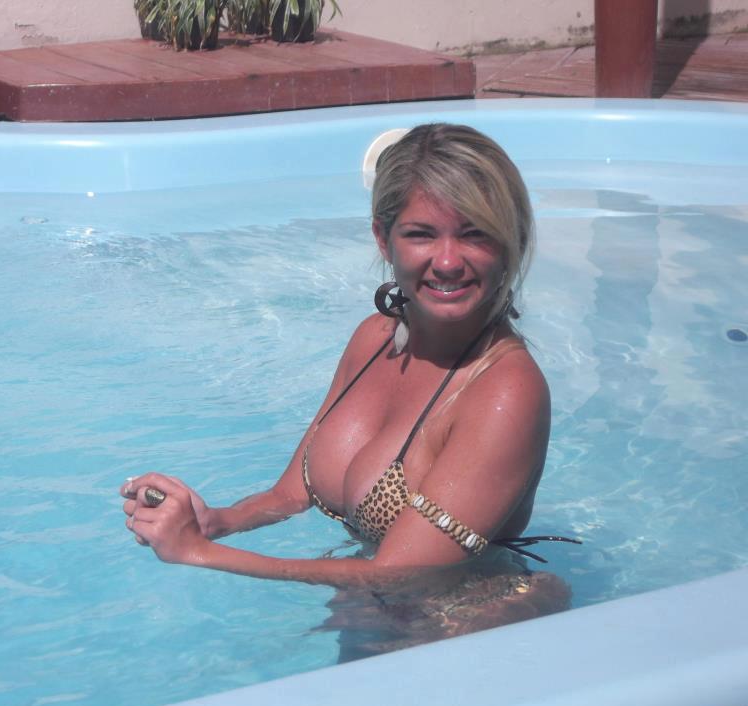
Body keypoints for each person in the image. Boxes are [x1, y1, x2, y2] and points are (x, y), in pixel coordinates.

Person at [120, 123, 579, 658]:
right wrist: (215, 522)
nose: (448, 260)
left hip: (461, 634)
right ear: (383, 238)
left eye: (475, 233)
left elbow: (400, 574)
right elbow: (290, 494)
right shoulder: (373, 339)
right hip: (376, 616)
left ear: (510, 240)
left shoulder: (505, 390)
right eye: (421, 234)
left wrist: (200, 554)